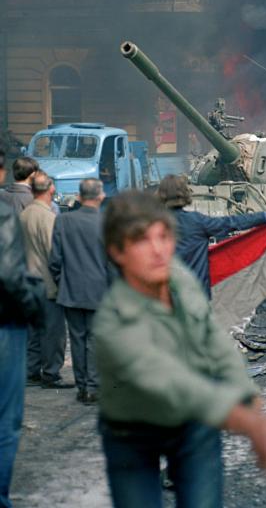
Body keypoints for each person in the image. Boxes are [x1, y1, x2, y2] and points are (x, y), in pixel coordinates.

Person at [94, 190, 266, 508]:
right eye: (141, 240)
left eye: (163, 237)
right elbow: (165, 381)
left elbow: (214, 341)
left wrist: (246, 394)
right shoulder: (112, 322)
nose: (157, 251)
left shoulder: (180, 279)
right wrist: (240, 417)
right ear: (117, 252)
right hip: (133, 433)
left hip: (194, 428)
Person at [0, 148, 44, 508]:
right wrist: (33, 310)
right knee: (5, 421)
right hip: (5, 321)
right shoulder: (18, 207)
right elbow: (10, 275)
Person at [157, 174, 266, 296]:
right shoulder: (197, 222)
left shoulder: (151, 225)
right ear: (185, 194)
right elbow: (231, 223)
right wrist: (265, 216)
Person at [49, 178, 110, 405]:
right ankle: (93, 387)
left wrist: (63, 280)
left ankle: (82, 385)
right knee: (95, 339)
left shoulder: (63, 221)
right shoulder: (107, 223)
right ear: (101, 196)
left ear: (79, 196)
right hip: (99, 291)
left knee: (77, 339)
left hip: (70, 289)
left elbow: (54, 260)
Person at [20, 171, 71, 389]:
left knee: (32, 331)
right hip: (46, 282)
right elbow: (54, 254)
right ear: (51, 189)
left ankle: (31, 371)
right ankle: (51, 373)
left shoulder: (23, 215)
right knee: (54, 331)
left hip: (26, 281)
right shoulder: (48, 217)